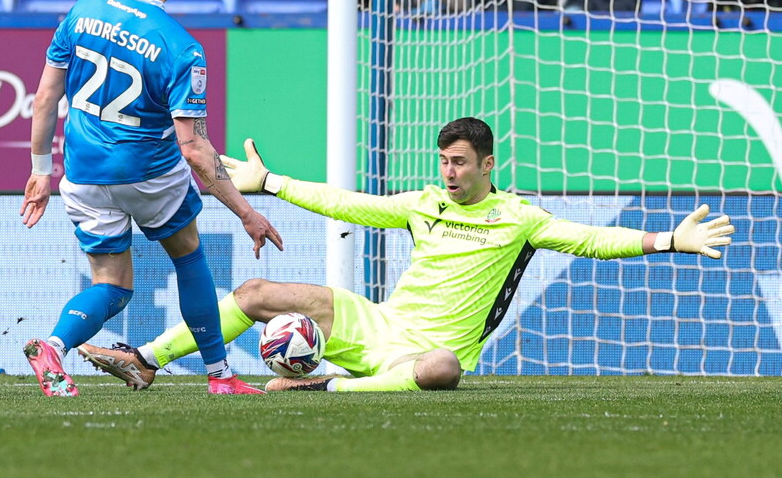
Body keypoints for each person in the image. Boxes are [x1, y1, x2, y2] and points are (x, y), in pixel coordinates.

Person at [78, 117, 735, 392]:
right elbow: (353, 204)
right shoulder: (426, 203)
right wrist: (271, 183)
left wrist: (670, 239)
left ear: (487, 165)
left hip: (421, 353)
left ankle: (325, 387)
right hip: (379, 322)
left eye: (459, 163)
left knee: (446, 370)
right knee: (255, 295)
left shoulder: (519, 217)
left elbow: (591, 241)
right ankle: (144, 360)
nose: (448, 173)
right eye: (443, 161)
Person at [20, 0, 283, 397]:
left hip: (82, 174)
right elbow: (195, 149)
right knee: (189, 256)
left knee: (114, 286)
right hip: (149, 174)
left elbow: (45, 97)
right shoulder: (182, 49)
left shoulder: (83, 10)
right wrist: (246, 211)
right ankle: (221, 376)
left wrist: (42, 169)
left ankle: (54, 346)